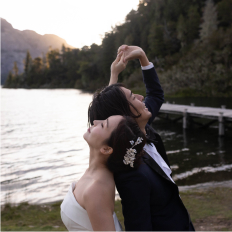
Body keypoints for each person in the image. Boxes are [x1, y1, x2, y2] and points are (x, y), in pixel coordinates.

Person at [88, 45, 195, 231]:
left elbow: (155, 94)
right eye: (132, 97)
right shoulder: (130, 172)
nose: (140, 96)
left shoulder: (144, 129)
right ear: (125, 116)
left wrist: (142, 58)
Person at [60, 115, 146, 231]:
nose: (95, 122)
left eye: (103, 125)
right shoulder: (94, 175)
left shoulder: (96, 189)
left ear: (106, 149)